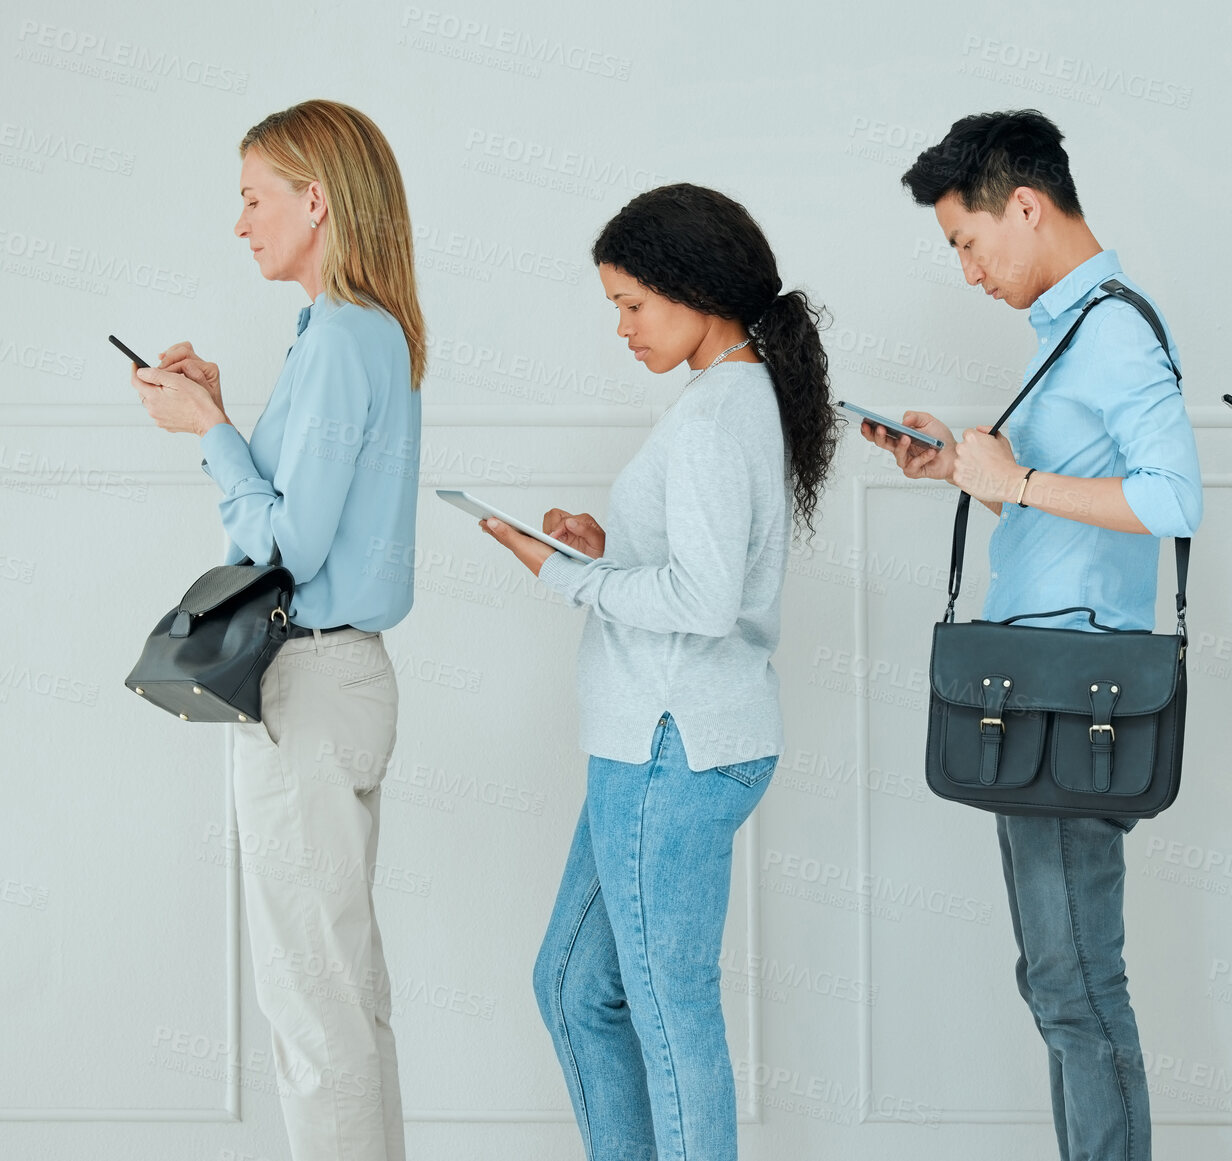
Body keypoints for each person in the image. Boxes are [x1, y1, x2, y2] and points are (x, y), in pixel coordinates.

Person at [865, 109, 1202, 1161]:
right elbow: (1074, 511)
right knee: (1056, 982)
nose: (966, 272)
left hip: (1074, 703)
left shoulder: (1112, 328)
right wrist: (966, 470)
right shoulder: (1069, 332)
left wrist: (1011, 478)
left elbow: (1172, 496)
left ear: (1025, 205)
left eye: (965, 242)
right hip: (1044, 695)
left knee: (1075, 985)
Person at [479, 183, 839, 1161]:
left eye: (632, 304)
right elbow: (695, 568)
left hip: (671, 746)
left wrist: (564, 576)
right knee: (570, 984)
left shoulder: (723, 412)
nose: (622, 328)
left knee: (668, 1011)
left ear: (696, 288)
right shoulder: (722, 396)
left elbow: (704, 603)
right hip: (651, 746)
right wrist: (603, 549)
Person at [129, 100, 425, 1161]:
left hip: (308, 689)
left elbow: (287, 545)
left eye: (255, 197)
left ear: (316, 200)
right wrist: (221, 415)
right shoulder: (351, 335)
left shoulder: (344, 336)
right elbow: (299, 513)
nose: (242, 222)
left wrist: (209, 432)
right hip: (333, 681)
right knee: (341, 995)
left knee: (313, 1006)